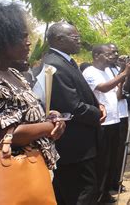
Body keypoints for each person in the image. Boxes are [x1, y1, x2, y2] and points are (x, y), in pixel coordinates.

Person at [0, 3, 65, 203]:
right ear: (2, 39)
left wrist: (51, 116)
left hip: (37, 166)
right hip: (16, 172)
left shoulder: (14, 73)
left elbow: (24, 115)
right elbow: (5, 134)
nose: (28, 43)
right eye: (22, 37)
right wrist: (48, 127)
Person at [44, 22, 103, 205]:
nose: (79, 41)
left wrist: (97, 104)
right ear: (59, 39)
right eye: (75, 38)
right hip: (75, 146)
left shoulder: (65, 61)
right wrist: (97, 112)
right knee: (82, 191)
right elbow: (73, 107)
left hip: (79, 143)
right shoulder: (55, 65)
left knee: (70, 192)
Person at [82, 44, 130, 203]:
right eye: (108, 54)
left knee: (113, 158)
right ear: (97, 55)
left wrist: (124, 76)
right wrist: (124, 72)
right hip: (102, 123)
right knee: (102, 161)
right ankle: (99, 195)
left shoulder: (108, 71)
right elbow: (104, 88)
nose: (113, 56)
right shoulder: (90, 72)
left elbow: (117, 93)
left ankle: (106, 191)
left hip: (114, 119)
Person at [104, 43, 130, 192]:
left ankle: (116, 181)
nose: (115, 55)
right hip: (112, 117)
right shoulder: (104, 71)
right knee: (111, 153)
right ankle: (108, 184)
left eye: (117, 52)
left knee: (120, 151)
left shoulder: (116, 69)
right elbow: (116, 94)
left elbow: (125, 90)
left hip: (123, 113)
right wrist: (123, 71)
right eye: (112, 52)